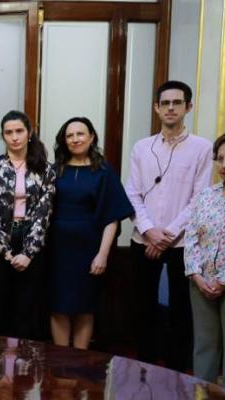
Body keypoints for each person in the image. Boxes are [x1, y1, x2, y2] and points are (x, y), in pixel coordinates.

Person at [125, 80, 213, 372]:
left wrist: (167, 235)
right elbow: (132, 193)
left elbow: (199, 198)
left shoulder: (202, 148)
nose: (171, 108)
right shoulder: (142, 147)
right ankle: (144, 371)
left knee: (181, 312)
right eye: (165, 103)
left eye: (177, 103)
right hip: (143, 240)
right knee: (143, 309)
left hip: (182, 243)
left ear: (188, 107)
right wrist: (150, 231)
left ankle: (176, 375)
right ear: (156, 108)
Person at [48, 117, 134, 349]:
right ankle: (60, 360)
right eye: (70, 135)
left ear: (91, 137)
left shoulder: (104, 172)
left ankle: (79, 361)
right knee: (58, 306)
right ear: (64, 140)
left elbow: (112, 216)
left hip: (90, 250)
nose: (75, 139)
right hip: (57, 250)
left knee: (85, 307)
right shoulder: (54, 171)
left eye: (80, 134)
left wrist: (102, 254)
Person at [0, 110, 55, 340]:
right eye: (8, 132)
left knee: (26, 309)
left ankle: (24, 362)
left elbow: (43, 213)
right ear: (3, 136)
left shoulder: (45, 170)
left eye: (19, 131)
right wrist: (8, 254)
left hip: (31, 243)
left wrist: (28, 253)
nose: (14, 137)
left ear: (29, 133)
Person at [184, 133, 225, 390]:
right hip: (201, 283)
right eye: (220, 158)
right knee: (204, 348)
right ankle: (202, 395)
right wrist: (196, 274)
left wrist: (224, 280)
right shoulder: (206, 196)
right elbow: (191, 235)